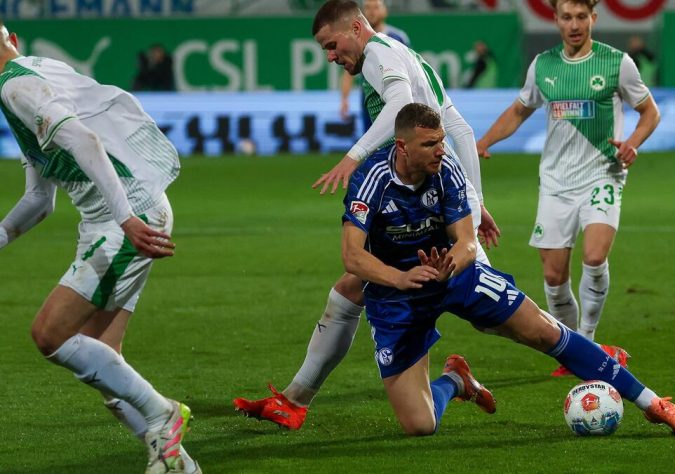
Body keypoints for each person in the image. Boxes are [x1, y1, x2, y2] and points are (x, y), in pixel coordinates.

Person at [338, 102, 675, 436]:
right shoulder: (372, 179)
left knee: (546, 331)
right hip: (396, 295)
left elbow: (467, 241)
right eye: (430, 144)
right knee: (420, 425)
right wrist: (402, 277)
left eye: (442, 141)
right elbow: (352, 256)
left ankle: (653, 403)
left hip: (454, 275)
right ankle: (456, 381)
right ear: (402, 147)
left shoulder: (446, 170)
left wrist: (451, 265)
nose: (441, 150)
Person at [233, 0, 500, 431]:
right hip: (434, 198)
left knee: (498, 317)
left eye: (331, 45)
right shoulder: (409, 56)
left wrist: (353, 156)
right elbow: (462, 131)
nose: (330, 57)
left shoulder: (378, 53)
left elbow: (398, 106)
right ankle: (295, 400)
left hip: (424, 201)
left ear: (356, 28)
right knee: (349, 289)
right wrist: (476, 200)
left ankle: (595, 361)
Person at [0, 23, 199, 473]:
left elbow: (84, 140)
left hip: (126, 216)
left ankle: (163, 415)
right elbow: (40, 198)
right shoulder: (34, 73)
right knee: (106, 362)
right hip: (115, 216)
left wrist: (126, 217)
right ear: (13, 40)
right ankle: (177, 464)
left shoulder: (16, 88)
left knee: (49, 333)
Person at [476, 0, 660, 376]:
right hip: (555, 182)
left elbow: (650, 111)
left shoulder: (617, 63)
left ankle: (587, 343)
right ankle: (571, 347)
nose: (574, 25)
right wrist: (484, 141)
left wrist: (632, 143)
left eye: (581, 17)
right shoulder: (543, 65)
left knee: (594, 256)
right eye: (566, 17)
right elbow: (519, 109)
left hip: (603, 174)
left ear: (593, 18)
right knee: (553, 277)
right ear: (556, 20)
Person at [339, 0, 410, 131]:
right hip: (369, 100)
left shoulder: (398, 38)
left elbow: (410, 69)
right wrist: (344, 99)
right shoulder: (355, 40)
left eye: (376, 7)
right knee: (371, 138)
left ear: (385, 11)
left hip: (395, 97)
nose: (372, 12)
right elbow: (348, 72)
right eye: (367, 8)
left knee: (398, 137)